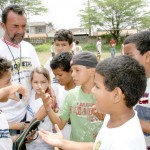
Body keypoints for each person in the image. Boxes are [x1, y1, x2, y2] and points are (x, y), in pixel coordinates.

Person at [39, 55, 147, 150]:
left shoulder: (124, 143)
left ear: (116, 95)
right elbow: (97, 146)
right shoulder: (112, 117)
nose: (93, 90)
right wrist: (63, 143)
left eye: (98, 87)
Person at [40, 51, 103, 142]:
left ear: (92, 71)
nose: (73, 74)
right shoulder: (71, 95)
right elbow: (60, 124)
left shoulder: (105, 95)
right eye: (72, 71)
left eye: (77, 70)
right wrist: (48, 108)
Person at [0, 4, 40, 135]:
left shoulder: (29, 48)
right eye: (15, 26)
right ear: (3, 25)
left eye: (23, 26)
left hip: (27, 115)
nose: (21, 31)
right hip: (4, 120)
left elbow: (38, 76)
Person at [123, 30, 150, 149]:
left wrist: (124, 118)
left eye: (129, 57)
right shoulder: (127, 81)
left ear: (148, 56)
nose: (125, 62)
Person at [0, 56, 27, 150]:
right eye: (8, 82)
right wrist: (9, 89)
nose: (11, 85)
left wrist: (21, 137)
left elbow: (4, 140)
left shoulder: (1, 115)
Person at [26, 67, 54, 150]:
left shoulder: (47, 101)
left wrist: (8, 125)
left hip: (43, 144)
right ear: (31, 82)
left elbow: (31, 124)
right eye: (35, 82)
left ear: (48, 82)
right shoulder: (32, 93)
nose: (39, 85)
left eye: (43, 82)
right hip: (30, 141)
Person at [50, 52, 75, 139]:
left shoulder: (78, 91)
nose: (57, 78)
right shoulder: (59, 88)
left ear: (71, 71)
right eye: (54, 75)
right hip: (61, 137)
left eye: (60, 75)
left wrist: (60, 113)